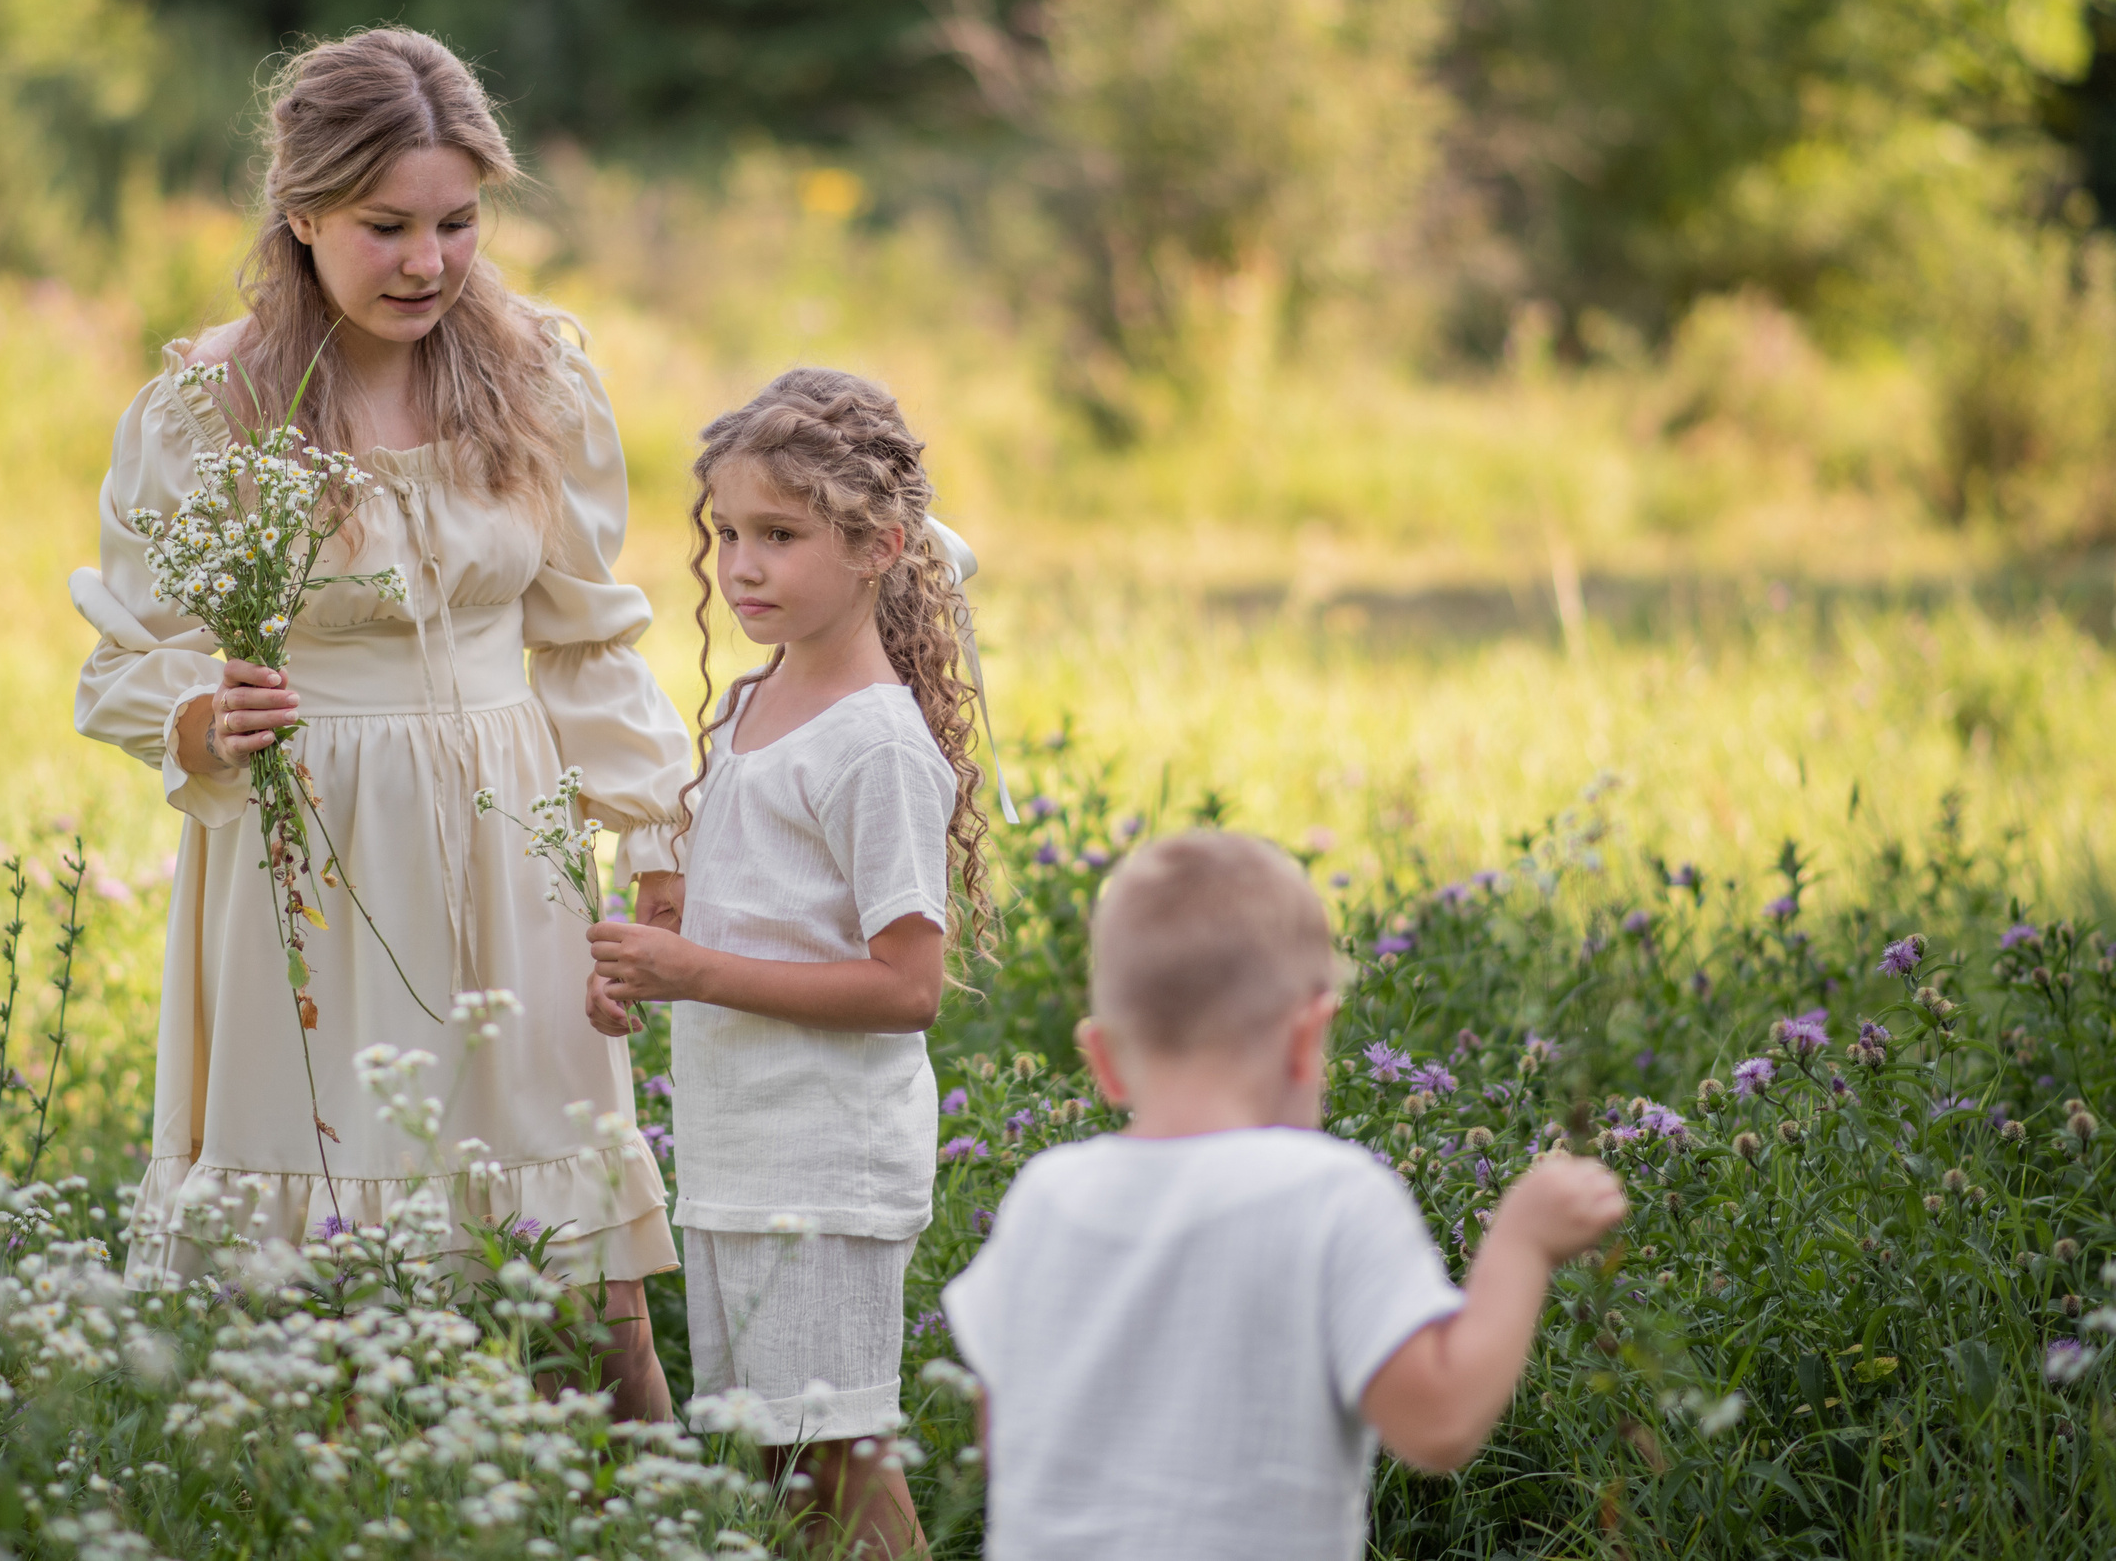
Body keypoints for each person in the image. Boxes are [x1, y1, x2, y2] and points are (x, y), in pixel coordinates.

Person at [70, 28, 692, 1419]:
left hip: (505, 824)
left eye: (458, 222)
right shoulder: (209, 405)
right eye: (386, 226)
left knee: (579, 1258)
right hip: (312, 849)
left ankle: (647, 1504)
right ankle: (344, 1497)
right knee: (328, 1266)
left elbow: (586, 627)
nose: (428, 260)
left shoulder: (536, 376)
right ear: (301, 216)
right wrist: (199, 714)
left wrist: (654, 826)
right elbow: (131, 646)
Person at [942, 832, 1628, 1560]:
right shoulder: (1330, 1196)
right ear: (1311, 1035)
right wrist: (1520, 1243)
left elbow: (1001, 1433)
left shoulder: (1047, 1195)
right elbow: (1440, 1419)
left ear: (1103, 1059)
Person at [581, 368, 994, 1558]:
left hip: (822, 1159)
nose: (740, 566)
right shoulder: (750, 707)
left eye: (780, 534)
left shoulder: (875, 747)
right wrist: (642, 966)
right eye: (725, 534)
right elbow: (742, 920)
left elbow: (904, 987)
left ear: (878, 546)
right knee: (786, 1471)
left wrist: (697, 973)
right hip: (739, 1143)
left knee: (837, 1461)